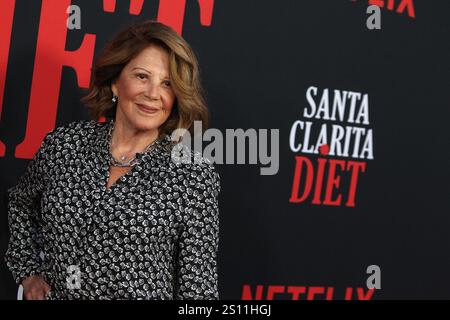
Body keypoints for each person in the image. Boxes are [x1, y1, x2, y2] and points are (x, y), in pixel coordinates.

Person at [5, 20, 220, 300]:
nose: (153, 94)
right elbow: (21, 203)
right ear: (116, 81)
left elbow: (198, 289)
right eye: (142, 76)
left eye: (167, 83)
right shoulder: (64, 145)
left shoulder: (193, 174)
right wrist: (28, 271)